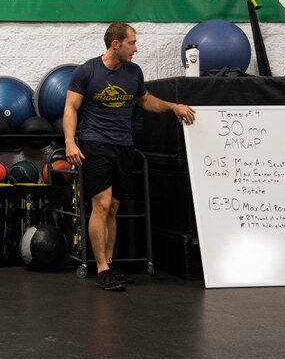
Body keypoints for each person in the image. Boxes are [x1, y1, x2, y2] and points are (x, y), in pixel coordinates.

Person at [63, 22, 196, 291]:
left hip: (124, 146)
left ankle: (109, 264)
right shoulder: (87, 71)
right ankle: (100, 269)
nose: (135, 48)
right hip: (95, 143)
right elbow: (70, 107)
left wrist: (173, 107)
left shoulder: (133, 72)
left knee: (113, 207)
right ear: (116, 44)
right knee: (101, 204)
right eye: (131, 43)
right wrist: (69, 142)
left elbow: (145, 101)